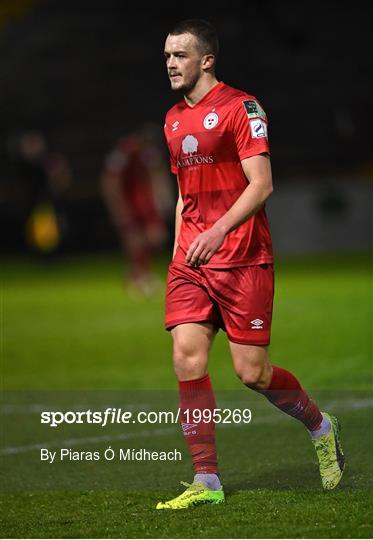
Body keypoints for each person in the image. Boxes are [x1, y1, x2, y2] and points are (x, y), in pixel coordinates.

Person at [156, 19, 345, 510]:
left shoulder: (243, 108)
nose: (171, 63)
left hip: (242, 259)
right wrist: (180, 253)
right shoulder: (173, 119)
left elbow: (261, 184)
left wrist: (218, 231)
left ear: (207, 60)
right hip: (193, 261)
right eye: (167, 56)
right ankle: (207, 480)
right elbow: (183, 195)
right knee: (186, 357)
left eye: (180, 55)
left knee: (252, 373)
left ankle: (321, 427)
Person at [101, 124, 172, 295]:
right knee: (134, 239)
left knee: (156, 237)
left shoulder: (149, 152)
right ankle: (139, 277)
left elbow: (157, 174)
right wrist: (117, 205)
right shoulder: (124, 151)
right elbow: (110, 179)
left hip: (145, 201)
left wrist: (163, 198)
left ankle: (139, 273)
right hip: (128, 201)